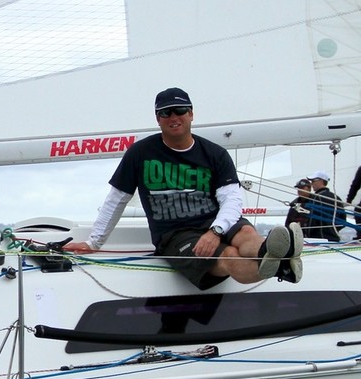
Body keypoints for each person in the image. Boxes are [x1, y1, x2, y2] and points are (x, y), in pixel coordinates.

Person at [64, 87, 304, 286]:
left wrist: (215, 231)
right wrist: (94, 243)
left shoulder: (215, 154)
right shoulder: (140, 153)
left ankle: (273, 254)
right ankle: (280, 268)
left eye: (180, 110)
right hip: (175, 234)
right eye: (165, 113)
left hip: (217, 222)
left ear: (191, 114)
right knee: (230, 256)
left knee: (247, 233)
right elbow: (117, 199)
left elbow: (231, 199)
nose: (173, 117)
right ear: (158, 119)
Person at [303, 171, 347, 241]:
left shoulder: (316, 198)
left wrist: (308, 235)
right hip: (334, 238)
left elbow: (311, 221)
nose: (311, 184)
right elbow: (343, 221)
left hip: (318, 239)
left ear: (321, 181)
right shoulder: (337, 198)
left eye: (313, 181)